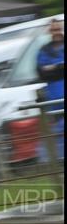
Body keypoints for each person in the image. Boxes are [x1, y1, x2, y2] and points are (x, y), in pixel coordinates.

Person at [36, 18, 64, 160]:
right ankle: (58, 160)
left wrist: (53, 67)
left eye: (58, 29)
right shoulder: (44, 50)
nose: (56, 32)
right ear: (49, 31)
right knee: (57, 131)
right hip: (54, 97)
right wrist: (60, 66)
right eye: (53, 30)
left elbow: (48, 69)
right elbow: (41, 72)